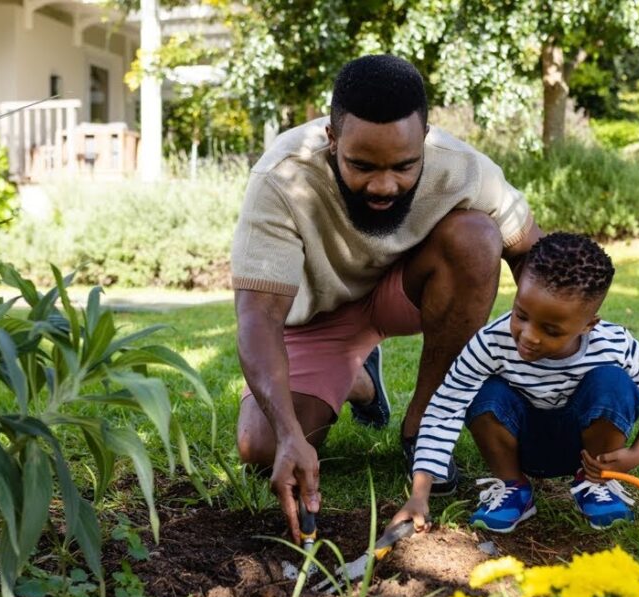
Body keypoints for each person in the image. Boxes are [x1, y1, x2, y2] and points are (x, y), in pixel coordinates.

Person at [231, 54, 542, 543]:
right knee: (259, 445)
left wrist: (556, 351)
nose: (383, 185)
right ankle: (359, 380)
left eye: (403, 165)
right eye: (362, 165)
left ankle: (422, 428)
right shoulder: (283, 176)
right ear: (332, 142)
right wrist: (290, 432)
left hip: (404, 292)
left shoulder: (463, 167)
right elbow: (257, 318)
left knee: (478, 237)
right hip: (316, 318)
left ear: (424, 140)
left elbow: (534, 257)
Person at [391, 232, 639, 534]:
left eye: (551, 330)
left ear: (588, 325)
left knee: (614, 382)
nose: (528, 336)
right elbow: (445, 406)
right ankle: (514, 489)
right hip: (518, 444)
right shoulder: (491, 342)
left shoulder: (613, 343)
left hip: (586, 449)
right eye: (521, 315)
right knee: (484, 392)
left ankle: (596, 484)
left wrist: (638, 453)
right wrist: (419, 495)